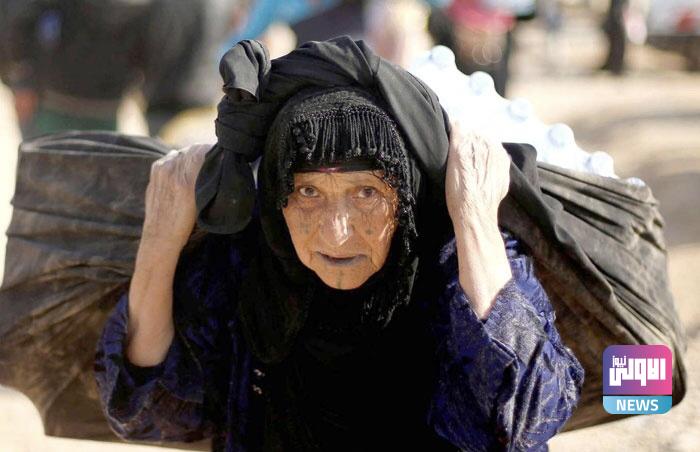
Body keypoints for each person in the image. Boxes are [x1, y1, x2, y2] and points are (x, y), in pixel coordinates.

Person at [94, 38, 584, 451]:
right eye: (308, 193)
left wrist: (475, 217)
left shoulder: (457, 268)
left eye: (367, 193)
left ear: (408, 196)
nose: (336, 233)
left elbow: (525, 417)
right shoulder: (247, 267)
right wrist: (160, 238)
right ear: (277, 197)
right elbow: (144, 412)